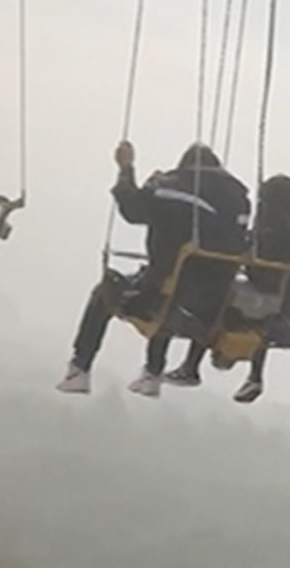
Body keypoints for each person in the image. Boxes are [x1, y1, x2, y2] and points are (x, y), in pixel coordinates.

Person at [56, 141, 251, 397]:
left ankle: (79, 370)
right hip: (212, 306)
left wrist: (128, 169)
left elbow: (132, 209)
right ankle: (152, 372)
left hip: (165, 298)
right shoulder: (240, 201)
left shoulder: (174, 188)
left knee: (106, 292)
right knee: (173, 281)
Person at [161, 174, 290, 404]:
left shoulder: (280, 227)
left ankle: (191, 365)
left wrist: (246, 245)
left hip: (272, 292)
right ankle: (247, 374)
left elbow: (263, 252)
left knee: (218, 295)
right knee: (234, 300)